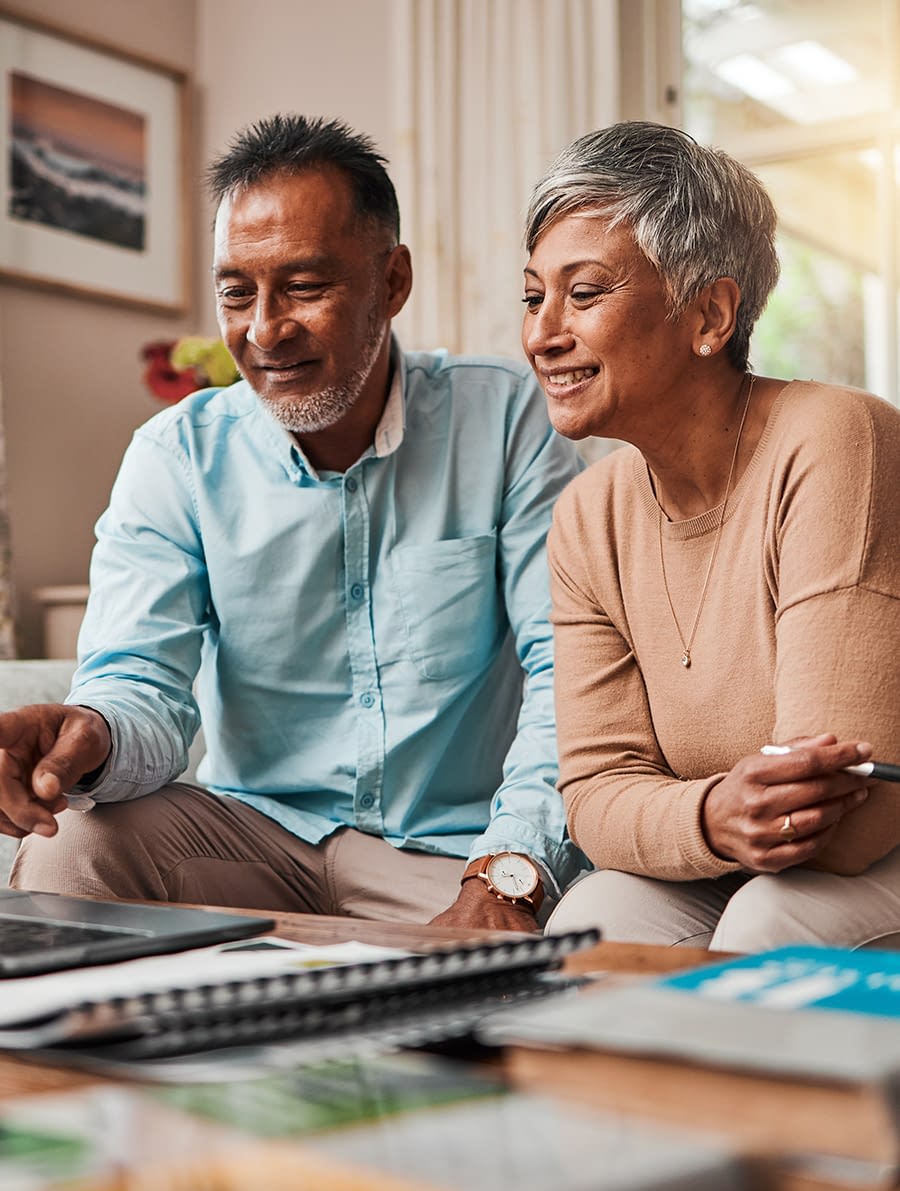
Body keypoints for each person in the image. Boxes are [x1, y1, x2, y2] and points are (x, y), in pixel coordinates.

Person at [1, 113, 585, 931]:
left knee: (596, 926)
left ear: (392, 282)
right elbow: (142, 681)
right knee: (72, 850)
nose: (265, 329)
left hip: (455, 853)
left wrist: (510, 870)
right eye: (236, 292)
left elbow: (571, 674)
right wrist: (88, 731)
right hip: (252, 840)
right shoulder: (177, 455)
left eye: (305, 286)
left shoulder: (506, 420)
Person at [520, 120, 900, 952]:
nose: (544, 332)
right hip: (726, 863)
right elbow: (593, 794)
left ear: (710, 314)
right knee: (591, 922)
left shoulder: (837, 438)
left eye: (583, 293)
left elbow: (848, 820)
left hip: (876, 860)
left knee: (770, 919)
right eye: (533, 295)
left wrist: (696, 813)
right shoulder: (587, 518)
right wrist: (710, 816)